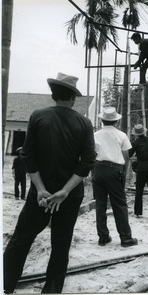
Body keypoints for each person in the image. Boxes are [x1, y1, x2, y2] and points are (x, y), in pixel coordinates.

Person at [3, 72, 96, 294]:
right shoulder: (84, 123)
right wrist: (64, 191)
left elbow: (28, 155)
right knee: (61, 244)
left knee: (21, 239)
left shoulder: (37, 116)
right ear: (73, 98)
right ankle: (52, 290)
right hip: (70, 195)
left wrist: (41, 188)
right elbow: (88, 162)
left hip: (40, 195)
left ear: (53, 95)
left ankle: (5, 285)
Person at [92, 107, 138, 248]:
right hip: (114, 170)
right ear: (117, 121)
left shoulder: (95, 135)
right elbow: (126, 156)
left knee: (100, 205)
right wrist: (123, 172)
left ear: (102, 120)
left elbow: (92, 154)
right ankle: (125, 238)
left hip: (98, 169)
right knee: (119, 205)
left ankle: (103, 237)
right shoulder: (121, 135)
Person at [129, 124, 148, 218]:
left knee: (139, 190)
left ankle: (138, 211)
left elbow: (129, 154)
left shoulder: (135, 143)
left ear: (136, 133)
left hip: (141, 168)